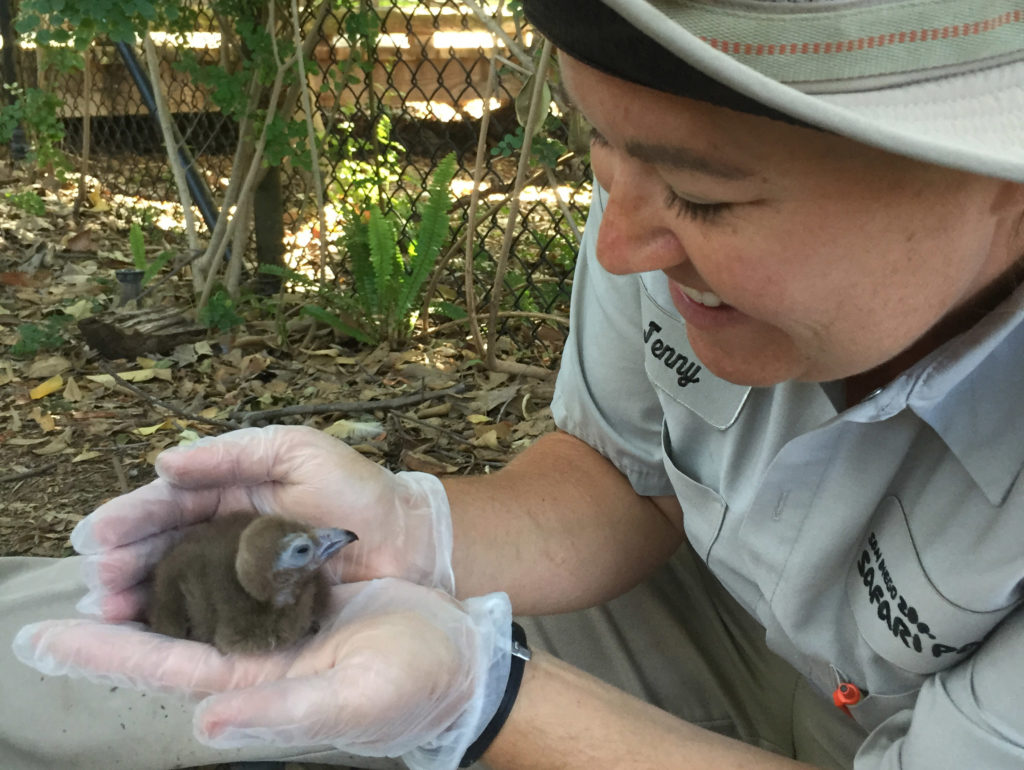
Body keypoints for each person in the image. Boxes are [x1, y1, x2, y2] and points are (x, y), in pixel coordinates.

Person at [5, 0, 1024, 768]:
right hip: (719, 617)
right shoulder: (660, 199)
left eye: (703, 198)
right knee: (81, 646)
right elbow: (627, 480)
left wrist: (480, 698)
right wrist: (416, 525)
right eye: (597, 146)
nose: (619, 244)